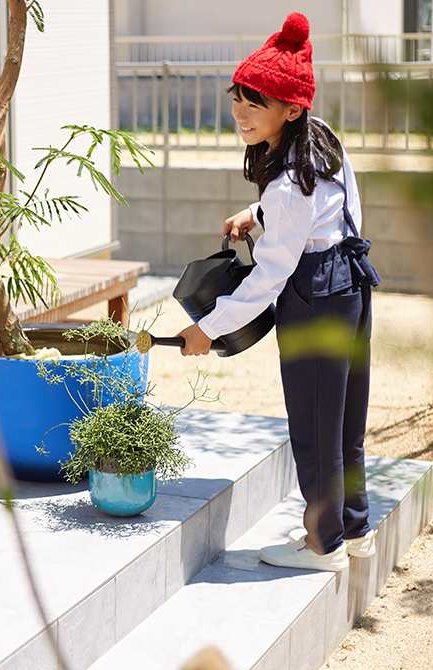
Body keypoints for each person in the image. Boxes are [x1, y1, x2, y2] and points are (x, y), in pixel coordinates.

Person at [176, 13, 381, 572]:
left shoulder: (288, 180)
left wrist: (206, 328)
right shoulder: (322, 139)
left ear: (290, 109)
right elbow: (330, 211)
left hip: (315, 293)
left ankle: (323, 546)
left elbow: (270, 275)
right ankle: (353, 527)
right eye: (238, 98)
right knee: (344, 419)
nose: (241, 112)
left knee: (315, 425)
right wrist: (256, 211)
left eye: (256, 102)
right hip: (352, 283)